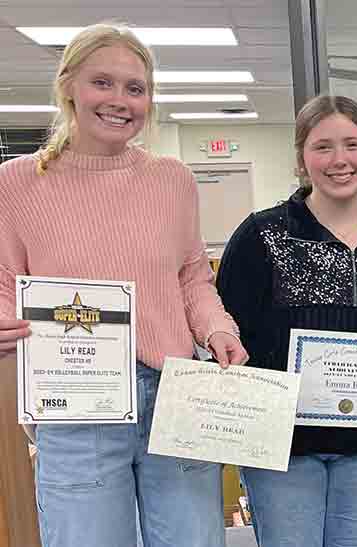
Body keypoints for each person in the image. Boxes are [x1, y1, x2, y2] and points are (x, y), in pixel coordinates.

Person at [0, 23, 248, 547]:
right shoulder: (16, 183)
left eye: (135, 89)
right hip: (76, 408)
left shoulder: (172, 179)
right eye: (102, 83)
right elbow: (5, 284)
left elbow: (191, 277)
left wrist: (217, 330)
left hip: (174, 395)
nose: (120, 101)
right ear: (68, 84)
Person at [215, 95, 357, 547]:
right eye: (323, 147)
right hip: (282, 449)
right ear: (302, 158)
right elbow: (226, 334)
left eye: (352, 145)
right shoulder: (263, 235)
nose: (340, 160)